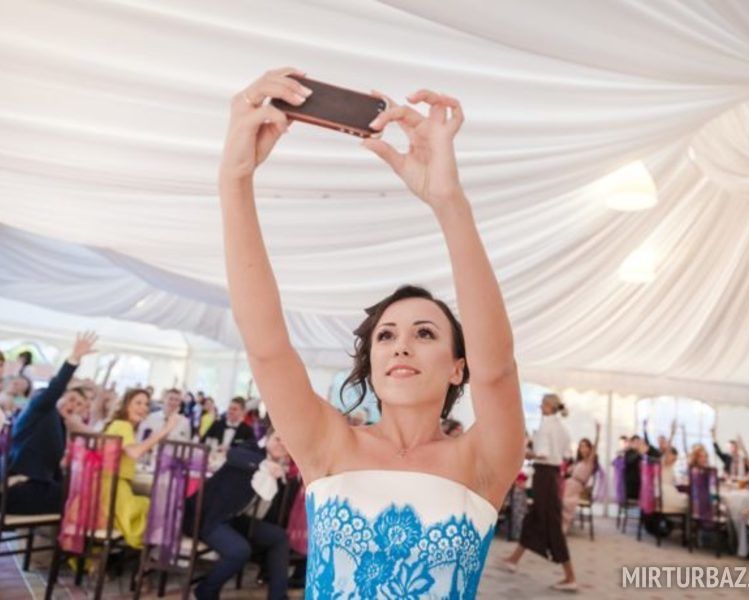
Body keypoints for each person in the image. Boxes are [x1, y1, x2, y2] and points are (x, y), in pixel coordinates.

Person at [219, 68, 524, 599]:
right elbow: (267, 350)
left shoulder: (482, 461)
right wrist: (235, 178)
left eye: (425, 333)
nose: (401, 344)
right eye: (385, 336)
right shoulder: (328, 443)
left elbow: (497, 371)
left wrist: (448, 201)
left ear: (459, 366)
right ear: (372, 362)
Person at [185, 438, 290, 600]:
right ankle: (205, 591)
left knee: (279, 536)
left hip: (234, 517)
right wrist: (265, 464)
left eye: (286, 441)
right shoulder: (251, 449)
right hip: (207, 516)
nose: (281, 443)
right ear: (268, 438)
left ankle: (278, 597)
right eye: (278, 438)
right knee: (239, 551)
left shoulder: (279, 470)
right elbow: (234, 454)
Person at [6, 332, 97, 514]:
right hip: (18, 487)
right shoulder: (42, 407)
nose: (73, 406)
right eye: (71, 399)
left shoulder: (61, 426)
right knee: (81, 501)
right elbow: (55, 389)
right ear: (60, 397)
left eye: (79, 405)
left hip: (36, 486)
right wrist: (74, 358)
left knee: (83, 496)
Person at [502, 394, 576, 591]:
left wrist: (525, 453)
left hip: (544, 477)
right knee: (534, 518)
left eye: (542, 404)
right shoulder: (561, 427)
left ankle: (570, 577)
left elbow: (543, 454)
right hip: (552, 476)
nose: (540, 407)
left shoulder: (546, 426)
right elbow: (567, 454)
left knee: (552, 524)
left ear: (550, 406)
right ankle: (513, 559)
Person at [104, 388, 179, 547]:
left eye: (146, 404)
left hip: (107, 488)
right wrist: (166, 429)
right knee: (158, 509)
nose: (143, 407)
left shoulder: (120, 425)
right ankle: (151, 556)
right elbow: (135, 452)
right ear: (126, 405)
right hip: (111, 491)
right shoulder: (123, 426)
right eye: (138, 403)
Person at [562, 421, 600, 533]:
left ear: (589, 448)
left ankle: (561, 526)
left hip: (576, 487)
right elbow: (567, 471)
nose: (583, 448)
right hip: (569, 484)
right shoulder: (578, 462)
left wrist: (598, 434)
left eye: (585, 446)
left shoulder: (589, 461)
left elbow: (595, 448)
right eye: (581, 446)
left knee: (564, 501)